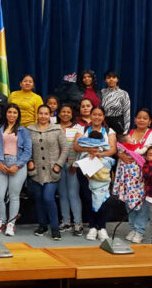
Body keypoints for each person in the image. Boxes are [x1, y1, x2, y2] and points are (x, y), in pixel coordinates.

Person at [114, 109, 152, 244]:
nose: (141, 120)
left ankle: (139, 230)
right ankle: (133, 227)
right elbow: (120, 149)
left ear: (150, 121)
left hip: (145, 176)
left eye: (145, 118)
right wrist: (119, 154)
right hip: (128, 177)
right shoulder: (129, 134)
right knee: (129, 202)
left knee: (144, 203)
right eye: (139, 117)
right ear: (134, 119)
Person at [73, 106, 117, 242]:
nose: (97, 117)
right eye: (94, 114)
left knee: (102, 197)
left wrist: (99, 154)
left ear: (103, 117)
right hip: (86, 169)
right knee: (87, 197)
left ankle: (102, 227)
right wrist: (89, 149)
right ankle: (92, 226)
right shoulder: (83, 129)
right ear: (90, 116)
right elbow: (76, 146)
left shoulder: (109, 131)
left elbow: (113, 149)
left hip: (102, 170)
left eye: (100, 115)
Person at [26, 105, 69, 240]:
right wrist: (30, 161)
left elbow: (66, 148)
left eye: (46, 114)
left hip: (52, 171)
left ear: (50, 115)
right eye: (41, 113)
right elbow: (26, 148)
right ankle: (42, 225)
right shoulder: (29, 130)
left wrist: (58, 165)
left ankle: (55, 228)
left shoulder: (56, 129)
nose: (43, 116)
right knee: (38, 199)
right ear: (37, 114)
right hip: (36, 171)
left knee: (48, 198)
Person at [0, 104, 31, 236]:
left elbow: (27, 151)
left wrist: (17, 165)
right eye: (10, 112)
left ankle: (11, 224)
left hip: (17, 165)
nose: (12, 115)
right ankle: (1, 221)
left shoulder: (23, 131)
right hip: (1, 165)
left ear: (18, 115)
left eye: (15, 112)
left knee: (14, 196)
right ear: (6, 114)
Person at [55, 103, 84, 236]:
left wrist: (75, 164)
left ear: (72, 115)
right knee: (62, 194)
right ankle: (66, 221)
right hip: (58, 165)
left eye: (68, 112)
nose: (65, 114)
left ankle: (78, 222)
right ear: (59, 114)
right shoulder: (54, 128)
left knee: (73, 194)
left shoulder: (79, 128)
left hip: (73, 165)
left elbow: (80, 147)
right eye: (63, 112)